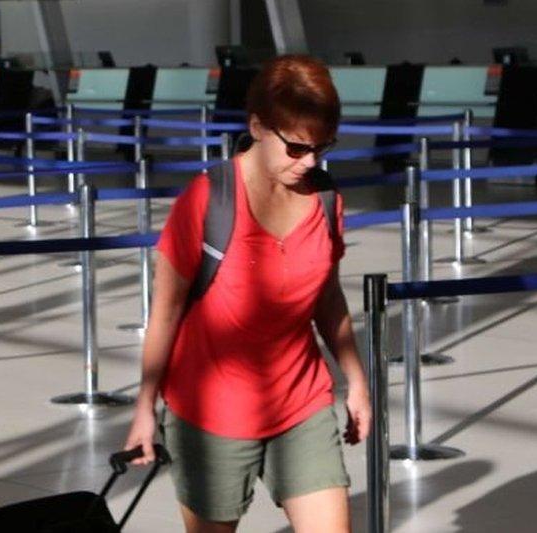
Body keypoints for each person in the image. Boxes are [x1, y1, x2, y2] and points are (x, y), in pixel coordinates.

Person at [123, 55, 371, 533]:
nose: (311, 162)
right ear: (258, 126)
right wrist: (144, 409)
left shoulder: (324, 199)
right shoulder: (206, 199)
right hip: (210, 414)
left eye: (322, 148)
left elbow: (328, 297)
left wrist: (355, 381)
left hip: (301, 405)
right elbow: (166, 314)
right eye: (297, 148)